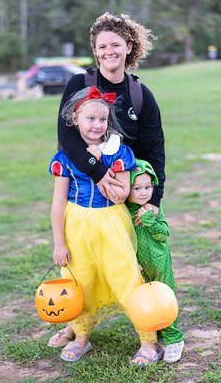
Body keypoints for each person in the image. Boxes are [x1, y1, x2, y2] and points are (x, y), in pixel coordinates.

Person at [48, 86, 164, 364]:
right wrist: (59, 243)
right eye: (91, 119)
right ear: (75, 120)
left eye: (103, 120)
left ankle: (149, 341)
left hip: (111, 221)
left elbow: (122, 193)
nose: (97, 125)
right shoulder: (65, 159)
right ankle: (81, 336)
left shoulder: (120, 153)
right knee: (80, 281)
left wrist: (99, 161)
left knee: (125, 275)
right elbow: (58, 204)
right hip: (76, 225)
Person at [57, 12, 165, 215]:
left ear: (129, 47)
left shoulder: (141, 95)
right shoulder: (79, 85)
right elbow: (66, 135)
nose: (109, 52)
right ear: (96, 52)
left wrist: (154, 198)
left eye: (116, 45)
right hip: (83, 194)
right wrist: (97, 172)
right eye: (102, 47)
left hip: (128, 195)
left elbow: (154, 148)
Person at [126, 158, 185, 363]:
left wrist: (150, 220)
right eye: (137, 188)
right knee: (147, 300)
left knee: (166, 296)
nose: (144, 192)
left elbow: (163, 234)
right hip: (140, 264)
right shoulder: (125, 212)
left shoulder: (153, 209)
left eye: (148, 187)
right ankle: (155, 333)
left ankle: (174, 338)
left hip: (160, 261)